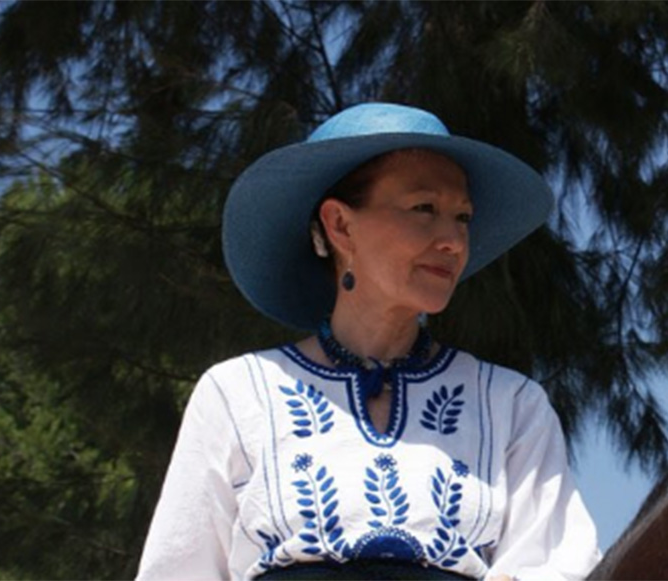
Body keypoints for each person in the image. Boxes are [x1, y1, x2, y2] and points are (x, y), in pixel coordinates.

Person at [137, 103, 601, 581]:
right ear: (340, 224)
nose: (454, 241)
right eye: (424, 209)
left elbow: (556, 567)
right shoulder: (237, 394)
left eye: (462, 217)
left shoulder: (512, 405)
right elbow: (177, 572)